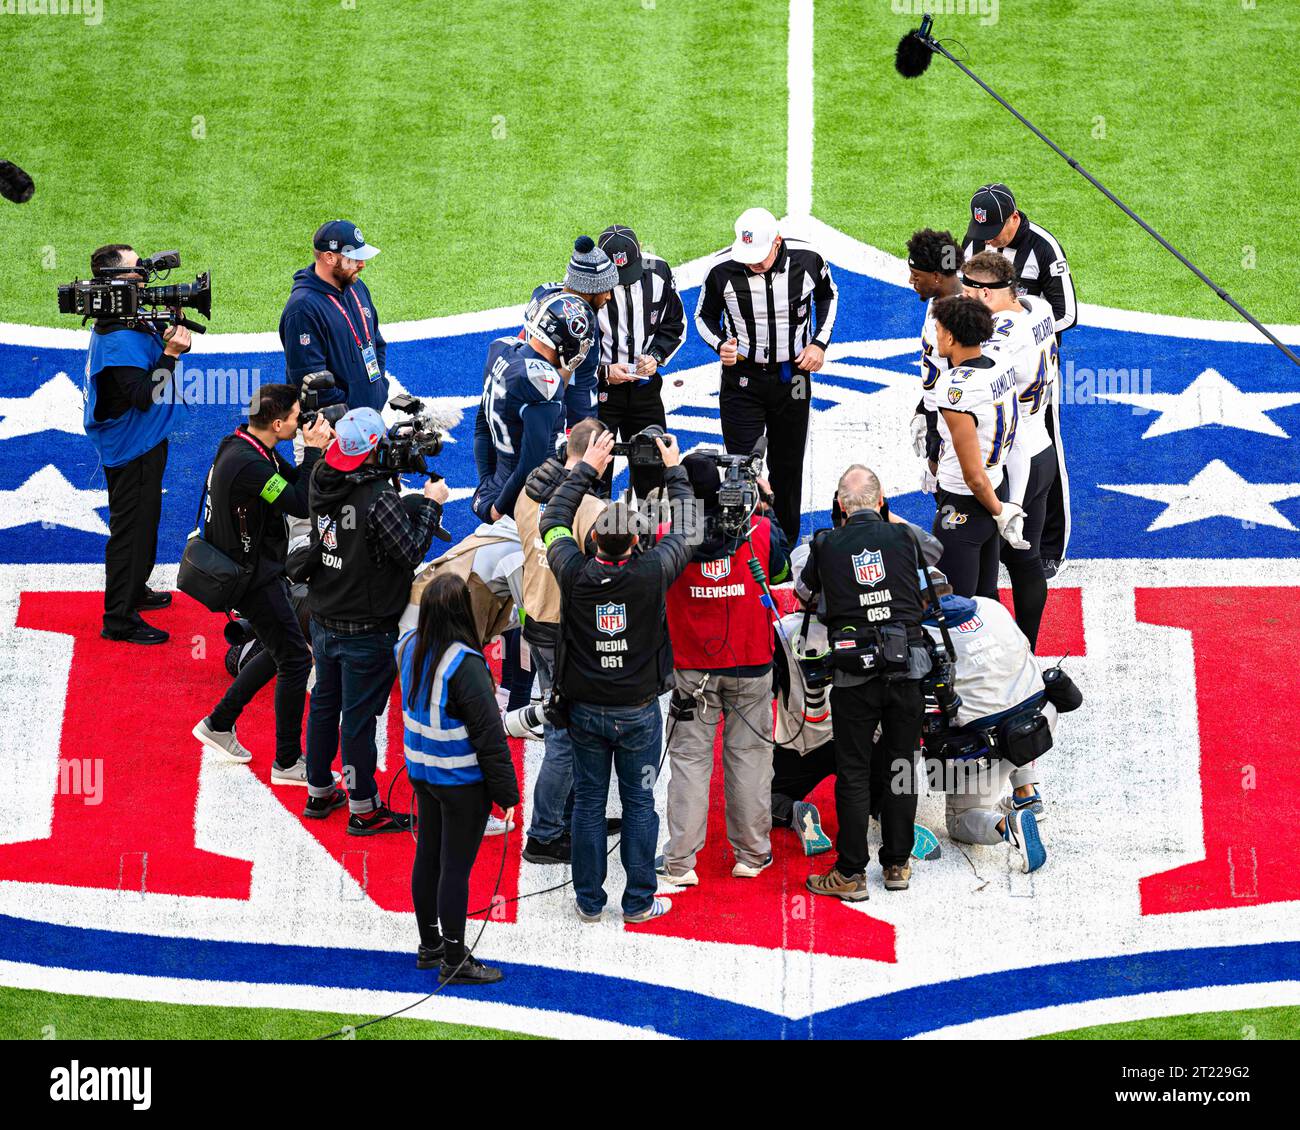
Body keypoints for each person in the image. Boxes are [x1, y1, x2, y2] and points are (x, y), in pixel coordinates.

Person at [541, 429, 694, 924]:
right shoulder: (651, 573)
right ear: (635, 543)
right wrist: (674, 471)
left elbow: (552, 519)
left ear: (592, 542)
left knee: (587, 802)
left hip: (584, 710)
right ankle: (639, 902)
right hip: (637, 714)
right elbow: (687, 530)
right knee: (638, 803)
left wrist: (585, 467)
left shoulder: (571, 570)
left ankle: (589, 901)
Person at [304, 407, 450, 832]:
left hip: (324, 614)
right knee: (358, 720)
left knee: (324, 706)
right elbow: (410, 553)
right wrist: (429, 505)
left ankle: (319, 791)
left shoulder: (321, 477)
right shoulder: (378, 499)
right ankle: (364, 809)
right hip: (366, 627)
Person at [655, 454, 789, 888]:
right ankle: (752, 853)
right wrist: (766, 502)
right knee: (750, 759)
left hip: (691, 671)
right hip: (751, 666)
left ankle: (680, 862)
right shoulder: (760, 531)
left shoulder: (667, 536)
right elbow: (783, 569)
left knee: (690, 763)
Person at [798, 465, 930, 898]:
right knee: (901, 768)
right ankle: (897, 864)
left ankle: (852, 872)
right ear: (882, 500)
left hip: (854, 674)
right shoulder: (905, 537)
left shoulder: (826, 544)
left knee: (852, 772)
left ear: (839, 505)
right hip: (907, 668)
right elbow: (936, 556)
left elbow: (805, 593)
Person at [191, 384, 331, 779]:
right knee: (296, 659)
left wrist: (317, 454)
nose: (300, 422)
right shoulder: (251, 465)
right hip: (253, 580)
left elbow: (292, 481)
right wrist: (315, 451)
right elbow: (300, 501)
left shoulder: (246, 444)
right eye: (295, 416)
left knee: (276, 650)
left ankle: (219, 723)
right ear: (276, 422)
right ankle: (287, 761)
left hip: (254, 569)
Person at [399, 573, 520, 986]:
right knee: (455, 868)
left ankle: (430, 945)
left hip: (422, 772)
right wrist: (506, 792)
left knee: (428, 857)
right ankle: (454, 957)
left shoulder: (409, 646)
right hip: (461, 780)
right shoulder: (465, 663)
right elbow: (489, 735)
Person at [694, 207, 838, 543]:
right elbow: (704, 316)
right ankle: (748, 544)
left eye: (760, 257)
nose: (754, 264)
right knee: (742, 469)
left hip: (794, 378)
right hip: (741, 379)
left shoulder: (809, 258)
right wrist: (720, 345)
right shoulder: (721, 269)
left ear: (777, 242)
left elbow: (828, 295)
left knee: (788, 468)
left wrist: (819, 343)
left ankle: (784, 546)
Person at [962, 183, 1076, 576]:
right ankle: (998, 533)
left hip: (1032, 373)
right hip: (990, 370)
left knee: (1046, 447)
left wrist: (1019, 330)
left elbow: (1068, 313)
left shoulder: (1044, 248)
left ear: (1015, 216)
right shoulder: (977, 241)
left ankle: (1050, 545)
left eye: (996, 229)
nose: (988, 239)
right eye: (981, 231)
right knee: (992, 447)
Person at [920, 568, 1066, 872]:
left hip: (988, 745)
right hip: (1039, 720)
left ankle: (1007, 824)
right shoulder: (990, 606)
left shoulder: (922, 634)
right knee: (1007, 694)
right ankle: (1026, 792)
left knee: (961, 820)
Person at [513, 417, 610, 865]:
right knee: (566, 740)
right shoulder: (591, 511)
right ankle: (545, 833)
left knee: (564, 729)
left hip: (536, 623)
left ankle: (575, 817)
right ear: (598, 454)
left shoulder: (529, 494)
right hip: (570, 635)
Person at [82, 244, 191, 644]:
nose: (143, 275)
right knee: (131, 529)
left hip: (141, 440)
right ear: (114, 281)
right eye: (135, 270)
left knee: (147, 521)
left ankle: (136, 590)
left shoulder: (120, 321)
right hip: (132, 448)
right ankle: (119, 618)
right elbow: (145, 395)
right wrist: (171, 355)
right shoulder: (116, 341)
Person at [962, 251, 1059, 649]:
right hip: (1043, 450)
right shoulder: (1038, 308)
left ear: (986, 293)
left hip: (1012, 461)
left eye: (969, 291)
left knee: (982, 573)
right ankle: (1028, 651)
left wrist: (1009, 503)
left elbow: (977, 376)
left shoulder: (1000, 334)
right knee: (1025, 560)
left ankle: (999, 662)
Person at [929, 295, 1028, 600]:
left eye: (938, 329)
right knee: (987, 598)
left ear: (951, 336)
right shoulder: (999, 363)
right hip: (995, 487)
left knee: (955, 606)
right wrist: (1003, 505)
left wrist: (1000, 513)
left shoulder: (956, 388)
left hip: (967, 501)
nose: (935, 335)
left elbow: (972, 474)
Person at [473, 290, 597, 523]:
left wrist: (487, 484)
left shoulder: (502, 349)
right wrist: (499, 507)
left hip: (502, 481)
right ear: (563, 340)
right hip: (531, 497)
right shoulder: (542, 381)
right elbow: (532, 462)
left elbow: (482, 424)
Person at [593, 224, 687, 501]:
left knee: (653, 470)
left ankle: (653, 539)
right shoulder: (584, 282)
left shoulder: (658, 272)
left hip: (645, 389)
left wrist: (656, 356)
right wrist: (604, 371)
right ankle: (595, 541)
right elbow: (573, 346)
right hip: (602, 394)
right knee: (596, 475)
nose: (623, 281)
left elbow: (675, 323)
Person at [279, 220, 388, 414]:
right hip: (332, 429)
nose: (362, 264)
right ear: (329, 257)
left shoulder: (357, 287)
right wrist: (351, 409)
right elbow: (310, 379)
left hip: (367, 419)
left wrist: (378, 390)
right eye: (353, 258)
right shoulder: (303, 308)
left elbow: (376, 343)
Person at [527, 236, 619, 429]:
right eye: (606, 290)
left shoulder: (544, 295)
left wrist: (605, 371)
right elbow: (565, 383)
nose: (609, 296)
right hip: (569, 423)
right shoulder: (577, 325)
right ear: (589, 288)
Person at [904, 228, 964, 495]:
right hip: (939, 415)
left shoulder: (957, 320)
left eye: (917, 276)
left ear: (937, 277)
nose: (910, 281)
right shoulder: (940, 300)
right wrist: (923, 408)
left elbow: (959, 390)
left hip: (954, 429)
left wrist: (936, 450)